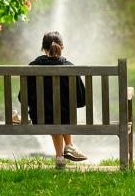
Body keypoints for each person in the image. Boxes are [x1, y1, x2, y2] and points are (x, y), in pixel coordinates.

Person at [18, 31, 88, 169]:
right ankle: (69, 146)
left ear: (43, 48)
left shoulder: (33, 66)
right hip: (66, 117)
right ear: (62, 47)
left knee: (52, 113)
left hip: (40, 117)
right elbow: (81, 100)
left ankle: (60, 156)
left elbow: (23, 98)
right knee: (62, 113)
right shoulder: (70, 67)